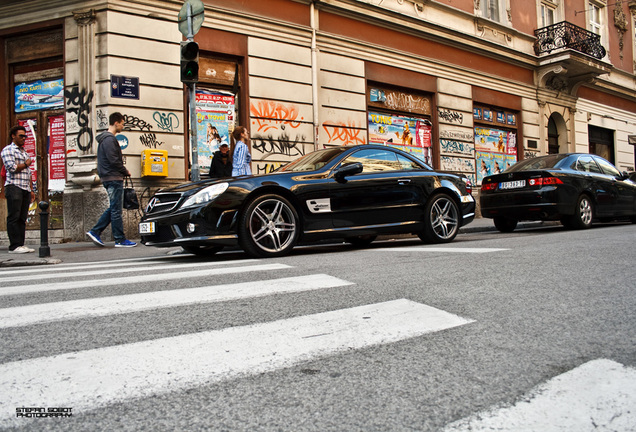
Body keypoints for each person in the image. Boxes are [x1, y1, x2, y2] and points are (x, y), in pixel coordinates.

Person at [86, 112, 137, 247]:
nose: (123, 126)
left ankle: (96, 231)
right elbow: (113, 160)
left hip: (109, 176)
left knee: (114, 207)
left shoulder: (105, 139)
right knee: (116, 210)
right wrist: (125, 171)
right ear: (116, 123)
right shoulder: (109, 140)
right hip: (113, 177)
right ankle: (119, 239)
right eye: (122, 123)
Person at [1, 126, 35, 254]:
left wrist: (31, 189)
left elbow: (28, 172)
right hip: (14, 186)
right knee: (14, 216)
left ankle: (21, 243)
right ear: (13, 136)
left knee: (22, 217)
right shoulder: (8, 150)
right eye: (21, 136)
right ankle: (14, 246)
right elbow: (12, 168)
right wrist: (26, 163)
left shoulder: (23, 151)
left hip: (24, 187)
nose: (24, 138)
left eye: (25, 136)